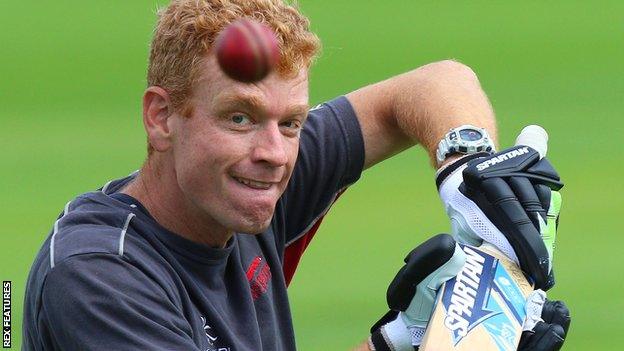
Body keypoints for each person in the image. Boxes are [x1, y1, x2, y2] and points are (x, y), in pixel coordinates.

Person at [22, 1, 570, 350]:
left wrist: (467, 164)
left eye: (292, 122)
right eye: (239, 117)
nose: (276, 153)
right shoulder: (98, 279)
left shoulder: (237, 186)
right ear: (161, 118)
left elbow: (435, 84)